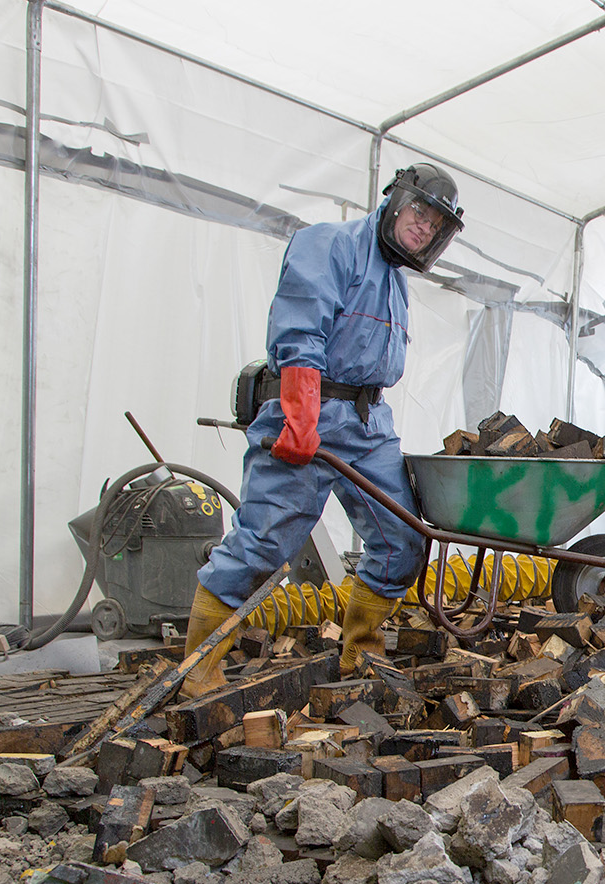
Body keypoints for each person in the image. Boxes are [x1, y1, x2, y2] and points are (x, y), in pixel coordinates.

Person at [179, 163, 465, 696]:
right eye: (419, 213)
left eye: (435, 226)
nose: (424, 228)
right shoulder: (330, 244)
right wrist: (301, 412)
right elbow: (302, 327)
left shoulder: (396, 283)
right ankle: (198, 667)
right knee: (264, 543)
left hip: (368, 423)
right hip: (311, 405)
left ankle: (361, 654)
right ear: (396, 202)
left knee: (402, 537)